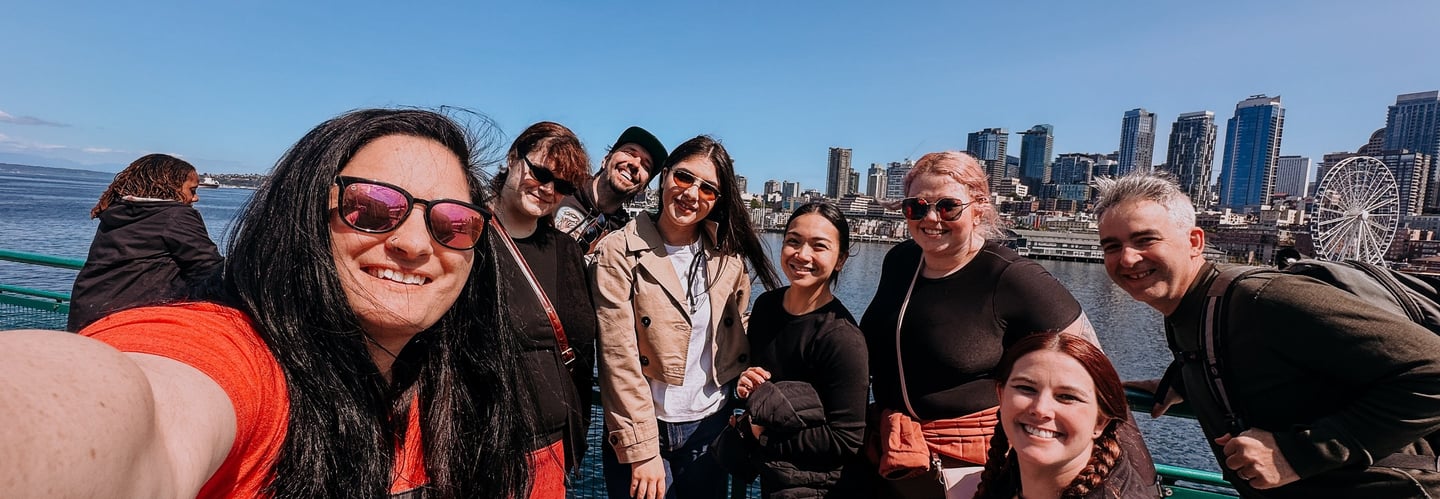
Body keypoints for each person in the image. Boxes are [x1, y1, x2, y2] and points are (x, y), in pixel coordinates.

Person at [0, 108, 536, 498]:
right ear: (299, 219)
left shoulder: (458, 385)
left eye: (453, 222)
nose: (417, 245)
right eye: (371, 207)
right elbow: (141, 413)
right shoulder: (240, 361)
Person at [1095, 172, 1440, 498]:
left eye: (1146, 239)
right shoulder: (1186, 311)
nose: (1127, 258)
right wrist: (1186, 379)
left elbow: (1433, 368)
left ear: (1194, 241)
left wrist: (1298, 454)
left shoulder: (1262, 299)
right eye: (1111, 246)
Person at [858, 151, 1108, 499]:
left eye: (947, 207)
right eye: (916, 207)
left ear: (979, 208)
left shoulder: (1011, 276)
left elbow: (1090, 359)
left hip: (973, 466)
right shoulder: (900, 261)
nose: (931, 218)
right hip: (896, 452)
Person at [593, 135, 781, 499]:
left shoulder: (726, 256)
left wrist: (746, 368)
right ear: (664, 177)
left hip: (710, 425)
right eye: (684, 178)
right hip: (648, 426)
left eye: (708, 189)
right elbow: (619, 358)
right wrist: (642, 449)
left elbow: (734, 322)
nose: (692, 194)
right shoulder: (619, 250)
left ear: (718, 201)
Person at [721, 202, 870, 498]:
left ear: (840, 259)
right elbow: (762, 382)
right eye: (793, 241)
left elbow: (846, 439)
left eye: (819, 246)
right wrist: (746, 381)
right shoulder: (766, 307)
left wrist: (760, 433)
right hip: (774, 477)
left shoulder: (841, 338)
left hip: (819, 487)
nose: (802, 255)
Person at [488, 121, 599, 496]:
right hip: (480, 446)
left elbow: (583, 348)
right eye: (539, 172)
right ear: (512, 158)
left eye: (563, 185)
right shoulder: (465, 232)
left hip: (550, 448)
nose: (548, 189)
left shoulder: (566, 251)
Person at [973, 332, 1156, 499]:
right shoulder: (1006, 479)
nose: (1041, 409)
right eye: (1026, 388)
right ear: (1001, 396)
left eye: (1067, 397)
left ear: (1100, 421)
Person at [66, 153, 223, 332]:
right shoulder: (175, 215)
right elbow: (208, 267)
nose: (195, 198)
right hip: (131, 316)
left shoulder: (116, 211)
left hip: (86, 312)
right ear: (170, 188)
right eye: (192, 191)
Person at [553, 126, 668, 251]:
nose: (635, 164)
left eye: (646, 165)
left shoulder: (624, 237)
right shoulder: (562, 187)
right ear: (606, 160)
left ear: (643, 189)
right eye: (629, 153)